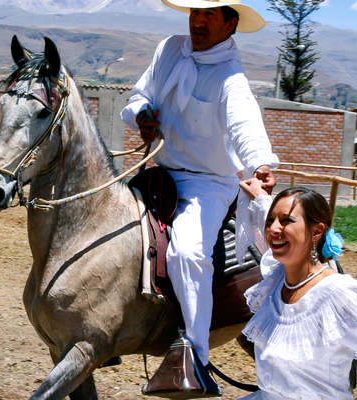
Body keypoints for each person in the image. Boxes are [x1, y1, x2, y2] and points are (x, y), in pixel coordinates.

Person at [120, 0, 279, 386]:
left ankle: (194, 358)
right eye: (195, 13)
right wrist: (143, 115)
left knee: (188, 252)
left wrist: (259, 163)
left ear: (230, 24)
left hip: (208, 182)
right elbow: (137, 96)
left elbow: (245, 126)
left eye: (209, 14)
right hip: (160, 172)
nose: (199, 21)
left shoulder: (232, 78)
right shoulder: (169, 48)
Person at [236, 181, 357, 399]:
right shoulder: (276, 280)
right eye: (271, 221)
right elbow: (275, 226)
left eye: (286, 221)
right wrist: (259, 195)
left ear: (317, 231)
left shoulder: (339, 296)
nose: (273, 228)